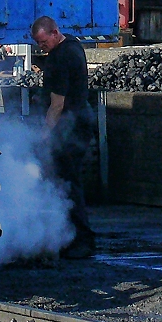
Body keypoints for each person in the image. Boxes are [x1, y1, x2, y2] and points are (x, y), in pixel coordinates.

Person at [32, 15, 96, 259]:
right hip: (82, 119)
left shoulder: (59, 59)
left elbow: (57, 106)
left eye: (43, 42)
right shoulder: (74, 44)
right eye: (38, 44)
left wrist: (45, 135)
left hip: (71, 126)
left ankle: (82, 240)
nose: (41, 47)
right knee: (68, 180)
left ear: (54, 32)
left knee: (68, 182)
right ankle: (68, 235)